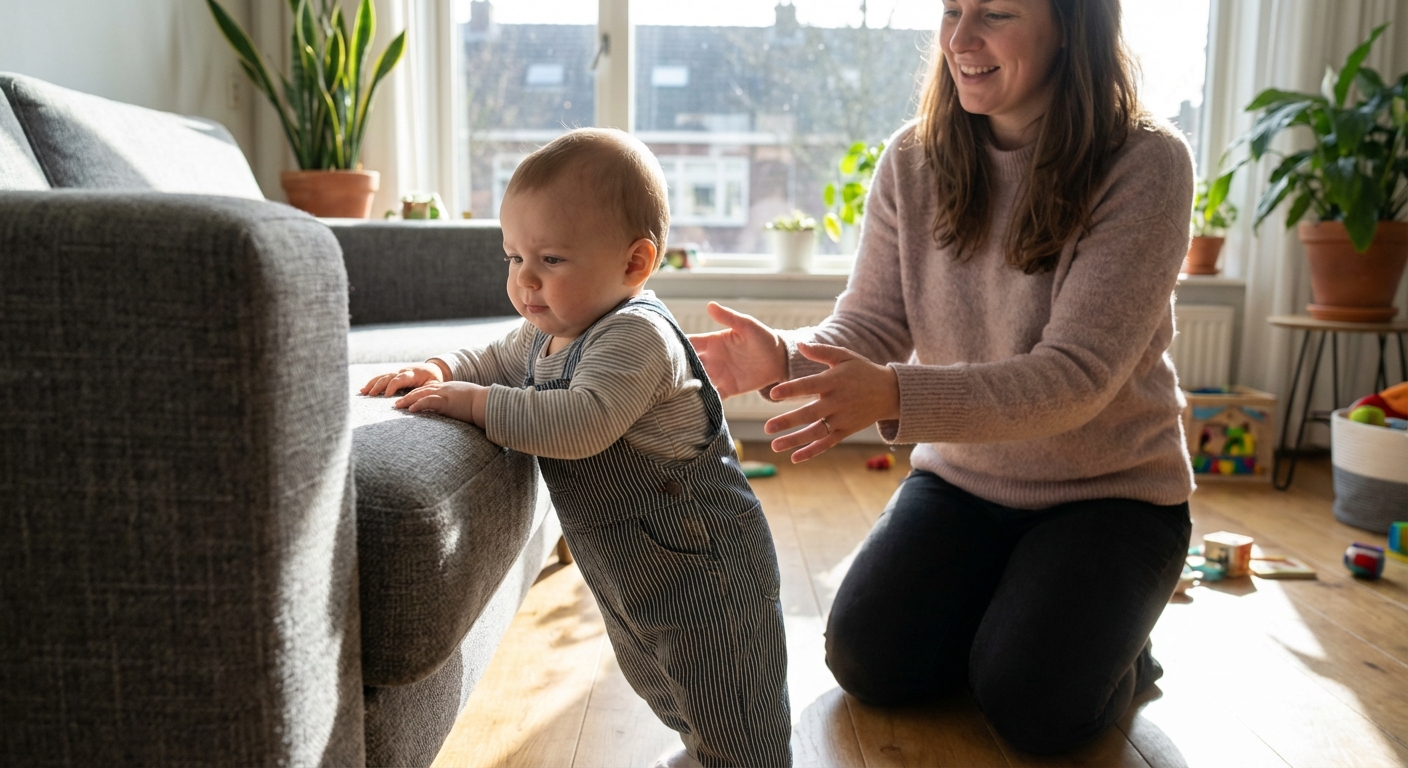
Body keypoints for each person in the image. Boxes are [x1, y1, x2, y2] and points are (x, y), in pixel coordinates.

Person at [689, 0, 1193, 754]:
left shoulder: (1145, 162)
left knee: (1033, 705)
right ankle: (1022, 610)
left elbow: (1075, 377)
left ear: (1070, 23)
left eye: (994, 13)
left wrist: (895, 395)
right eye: (952, 9)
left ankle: (1119, 642)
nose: (960, 39)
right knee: (868, 659)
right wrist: (784, 358)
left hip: (1112, 494)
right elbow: (871, 323)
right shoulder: (912, 158)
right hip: (964, 481)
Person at [360, 129, 791, 768]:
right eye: (513, 258)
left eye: (551, 260)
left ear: (635, 263)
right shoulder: (551, 329)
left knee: (731, 694)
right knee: (668, 681)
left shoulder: (638, 337)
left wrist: (475, 403)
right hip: (635, 566)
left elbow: (581, 422)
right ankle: (706, 750)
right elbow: (492, 359)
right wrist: (440, 366)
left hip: (708, 566)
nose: (526, 281)